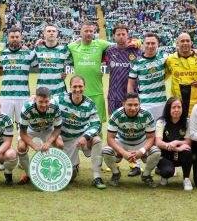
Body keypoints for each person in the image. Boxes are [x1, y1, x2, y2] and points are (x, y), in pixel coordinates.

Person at [104, 24, 142, 177]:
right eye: (118, 34)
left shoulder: (136, 50)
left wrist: (138, 41)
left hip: (131, 96)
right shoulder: (109, 51)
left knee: (133, 128)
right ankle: (114, 159)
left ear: (128, 35)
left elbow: (150, 51)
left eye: (123, 34)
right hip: (113, 95)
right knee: (115, 129)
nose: (121, 36)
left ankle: (135, 163)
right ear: (113, 36)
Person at [55, 75, 106, 189]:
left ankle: (97, 177)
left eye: (80, 86)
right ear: (70, 87)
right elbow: (46, 103)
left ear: (84, 87)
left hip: (80, 138)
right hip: (62, 139)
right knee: (69, 177)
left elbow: (96, 124)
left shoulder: (90, 104)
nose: (78, 89)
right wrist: (34, 97)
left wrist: (86, 137)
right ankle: (75, 166)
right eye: (75, 86)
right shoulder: (59, 99)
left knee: (97, 140)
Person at [103, 93, 161, 187]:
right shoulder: (116, 115)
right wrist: (123, 152)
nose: (133, 108)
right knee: (106, 151)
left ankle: (146, 175)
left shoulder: (146, 114)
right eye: (130, 105)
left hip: (141, 143)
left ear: (140, 104)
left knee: (156, 152)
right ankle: (116, 173)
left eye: (136, 105)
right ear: (123, 104)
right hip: (122, 142)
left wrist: (141, 151)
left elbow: (151, 138)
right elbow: (110, 139)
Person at [16, 87, 62, 185]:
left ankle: (55, 171)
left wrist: (49, 142)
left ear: (50, 99)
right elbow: (22, 133)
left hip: (48, 129)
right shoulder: (27, 107)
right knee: (21, 147)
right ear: (35, 99)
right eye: (40, 101)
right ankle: (29, 174)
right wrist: (34, 146)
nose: (44, 105)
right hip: (30, 129)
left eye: (46, 101)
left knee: (60, 144)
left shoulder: (54, 106)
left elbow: (58, 128)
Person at [67, 22, 110, 123]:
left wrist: (136, 41)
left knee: (97, 123)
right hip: (79, 92)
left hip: (97, 93)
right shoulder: (73, 47)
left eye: (91, 31)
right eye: (86, 31)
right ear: (80, 33)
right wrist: (42, 42)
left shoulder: (100, 44)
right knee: (79, 122)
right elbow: (57, 50)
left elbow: (120, 44)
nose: (89, 33)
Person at [0, 27, 37, 125]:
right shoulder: (1, 54)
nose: (14, 39)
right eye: (12, 37)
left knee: (23, 126)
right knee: (4, 125)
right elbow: (0, 70)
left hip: (23, 96)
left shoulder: (29, 53)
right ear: (8, 38)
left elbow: (38, 67)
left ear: (21, 37)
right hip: (5, 96)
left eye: (17, 37)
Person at [165, 32, 197, 117]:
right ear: (177, 43)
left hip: (196, 101)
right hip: (177, 103)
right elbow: (164, 76)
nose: (185, 43)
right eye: (182, 41)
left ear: (191, 43)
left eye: (187, 41)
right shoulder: (170, 59)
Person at [154, 97, 193, 191]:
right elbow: (158, 142)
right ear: (168, 109)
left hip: (181, 154)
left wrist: (177, 142)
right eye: (173, 107)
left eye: (179, 107)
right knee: (167, 172)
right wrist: (175, 148)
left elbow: (188, 142)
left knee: (188, 151)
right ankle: (165, 175)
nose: (176, 110)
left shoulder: (187, 121)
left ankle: (186, 179)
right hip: (166, 154)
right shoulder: (161, 121)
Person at [34, 24, 71, 97]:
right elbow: (29, 63)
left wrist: (66, 71)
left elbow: (73, 63)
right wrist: (35, 46)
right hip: (42, 91)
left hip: (59, 91)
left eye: (54, 31)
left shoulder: (64, 49)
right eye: (49, 31)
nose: (51, 33)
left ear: (57, 33)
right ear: (44, 34)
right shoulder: (38, 49)